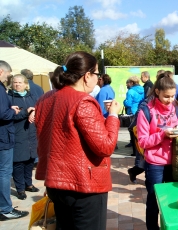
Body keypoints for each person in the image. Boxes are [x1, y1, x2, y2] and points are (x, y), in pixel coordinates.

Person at [35, 51, 121, 230]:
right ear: (87, 75)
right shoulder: (83, 101)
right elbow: (105, 147)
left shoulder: (45, 99)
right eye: (97, 74)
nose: (98, 80)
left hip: (56, 183)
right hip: (83, 186)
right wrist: (113, 116)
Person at [137, 73, 178, 230]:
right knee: (154, 201)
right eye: (167, 96)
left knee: (174, 199)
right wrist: (162, 134)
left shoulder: (177, 109)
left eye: (173, 96)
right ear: (157, 92)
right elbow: (143, 141)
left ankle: (172, 226)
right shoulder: (145, 111)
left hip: (175, 161)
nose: (170, 100)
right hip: (155, 164)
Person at [0, 61, 29, 220]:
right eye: (8, 75)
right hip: (4, 136)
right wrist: (13, 112)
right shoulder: (2, 90)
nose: (9, 79)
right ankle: (5, 208)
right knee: (4, 173)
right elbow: (2, 114)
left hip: (6, 135)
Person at [7, 74, 39, 200]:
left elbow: (38, 107)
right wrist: (26, 113)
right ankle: (20, 188)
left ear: (26, 84)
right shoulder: (9, 97)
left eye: (20, 82)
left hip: (31, 134)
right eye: (15, 82)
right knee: (18, 163)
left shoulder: (31, 96)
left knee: (30, 161)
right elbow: (9, 116)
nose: (17, 85)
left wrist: (34, 111)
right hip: (18, 133)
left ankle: (28, 184)